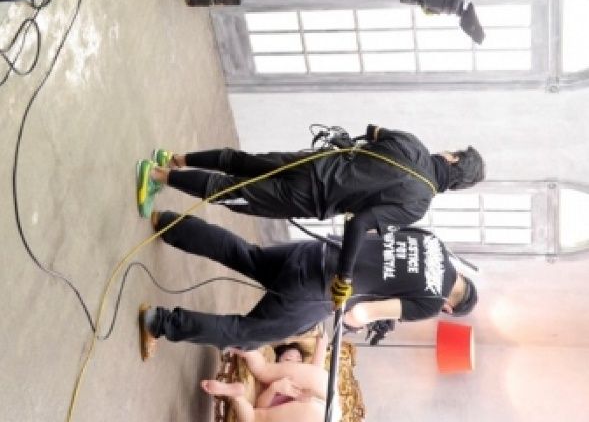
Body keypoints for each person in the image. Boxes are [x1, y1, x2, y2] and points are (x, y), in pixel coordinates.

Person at [137, 128, 485, 303]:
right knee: (233, 191)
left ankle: (176, 159)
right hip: (312, 197)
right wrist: (344, 278)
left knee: (243, 162)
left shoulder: (414, 144)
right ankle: (156, 175)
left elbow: (372, 132)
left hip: (313, 163)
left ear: (452, 158)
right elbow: (360, 223)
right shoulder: (417, 205)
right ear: (455, 185)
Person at [138, 212, 478, 357]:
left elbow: (374, 233)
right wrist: (357, 323)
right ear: (450, 308)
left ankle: (170, 223)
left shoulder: (433, 242)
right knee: (246, 334)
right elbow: (360, 314)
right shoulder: (431, 302)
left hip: (318, 250)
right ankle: (159, 322)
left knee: (247, 255)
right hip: (317, 290)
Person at [200, 333, 329, 422]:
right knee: (255, 418)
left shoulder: (301, 374)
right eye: (288, 360)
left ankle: (235, 343)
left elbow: (315, 371)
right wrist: (274, 387)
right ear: (278, 360)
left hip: (323, 393)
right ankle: (237, 396)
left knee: (263, 368)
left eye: (299, 361)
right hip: (326, 407)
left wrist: (275, 387)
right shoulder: (281, 378)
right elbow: (316, 373)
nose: (294, 363)